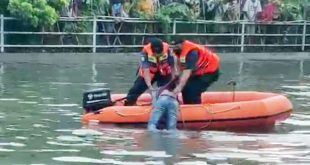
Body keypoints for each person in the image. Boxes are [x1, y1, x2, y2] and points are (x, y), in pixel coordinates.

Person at [124, 38, 177, 106]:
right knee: (136, 88)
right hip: (150, 72)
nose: (157, 55)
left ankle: (170, 103)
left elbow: (172, 66)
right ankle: (130, 103)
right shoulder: (145, 53)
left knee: (168, 89)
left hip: (164, 72)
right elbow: (146, 70)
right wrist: (150, 87)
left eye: (160, 54)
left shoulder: (168, 51)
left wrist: (173, 80)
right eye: (156, 54)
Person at [171, 40, 220, 104]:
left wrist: (179, 87)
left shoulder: (192, 53)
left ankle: (196, 107)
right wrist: (177, 76)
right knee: (185, 88)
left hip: (210, 71)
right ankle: (187, 105)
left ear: (182, 45)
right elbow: (179, 63)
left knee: (193, 90)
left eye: (176, 46)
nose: (175, 48)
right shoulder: (178, 52)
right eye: (173, 47)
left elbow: (187, 72)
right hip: (198, 71)